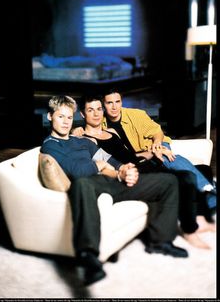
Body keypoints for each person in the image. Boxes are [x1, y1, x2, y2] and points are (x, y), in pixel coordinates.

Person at [41, 95, 188, 286]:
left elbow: (111, 161)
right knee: (82, 183)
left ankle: (161, 241)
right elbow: (78, 172)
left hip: (112, 183)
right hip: (90, 186)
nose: (66, 122)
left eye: (69, 117)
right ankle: (89, 257)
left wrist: (124, 170)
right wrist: (100, 166)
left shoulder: (82, 142)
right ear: (50, 117)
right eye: (61, 117)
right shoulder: (50, 146)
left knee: (168, 181)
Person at [75, 94, 215, 249]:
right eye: (90, 110)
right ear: (82, 113)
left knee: (201, 169)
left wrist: (156, 150)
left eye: (98, 109)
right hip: (131, 172)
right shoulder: (86, 140)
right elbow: (103, 165)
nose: (96, 114)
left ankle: (200, 216)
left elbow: (130, 155)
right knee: (186, 177)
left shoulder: (111, 132)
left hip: (142, 163)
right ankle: (190, 230)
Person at [101, 89, 217, 211]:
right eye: (109, 103)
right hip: (139, 157)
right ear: (103, 104)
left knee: (165, 156)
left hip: (153, 146)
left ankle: (208, 190)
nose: (114, 107)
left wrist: (157, 145)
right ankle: (205, 189)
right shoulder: (101, 124)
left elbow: (157, 131)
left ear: (121, 102)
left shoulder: (135, 115)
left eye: (117, 102)